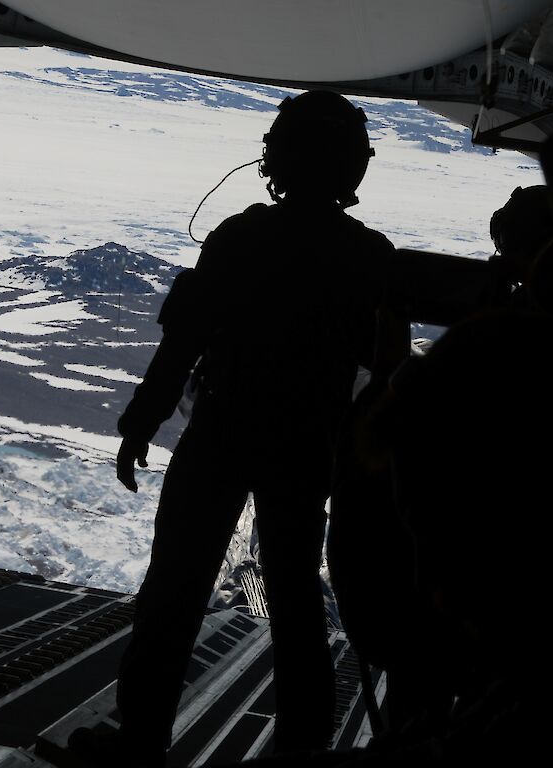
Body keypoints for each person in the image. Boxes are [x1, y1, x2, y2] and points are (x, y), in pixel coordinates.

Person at [83, 90, 395, 767]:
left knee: (174, 589)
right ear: (351, 168)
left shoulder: (238, 238)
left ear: (275, 158)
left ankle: (140, 741)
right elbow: (387, 370)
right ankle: (304, 746)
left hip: (222, 430)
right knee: (294, 601)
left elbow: (184, 342)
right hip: (307, 443)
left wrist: (143, 421)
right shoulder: (369, 255)